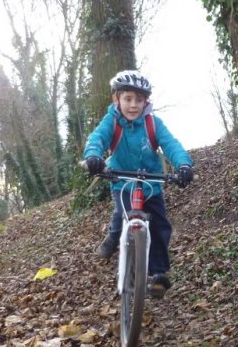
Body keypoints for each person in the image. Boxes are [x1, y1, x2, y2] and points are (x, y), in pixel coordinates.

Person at [82, 70, 194, 297]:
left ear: (146, 102)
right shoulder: (112, 121)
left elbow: (171, 144)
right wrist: (93, 155)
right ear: (117, 100)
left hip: (151, 183)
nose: (133, 105)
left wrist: (183, 166)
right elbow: (98, 137)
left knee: (160, 225)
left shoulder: (153, 123)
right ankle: (115, 237)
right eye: (128, 99)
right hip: (121, 180)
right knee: (122, 214)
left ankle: (159, 273)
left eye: (139, 100)